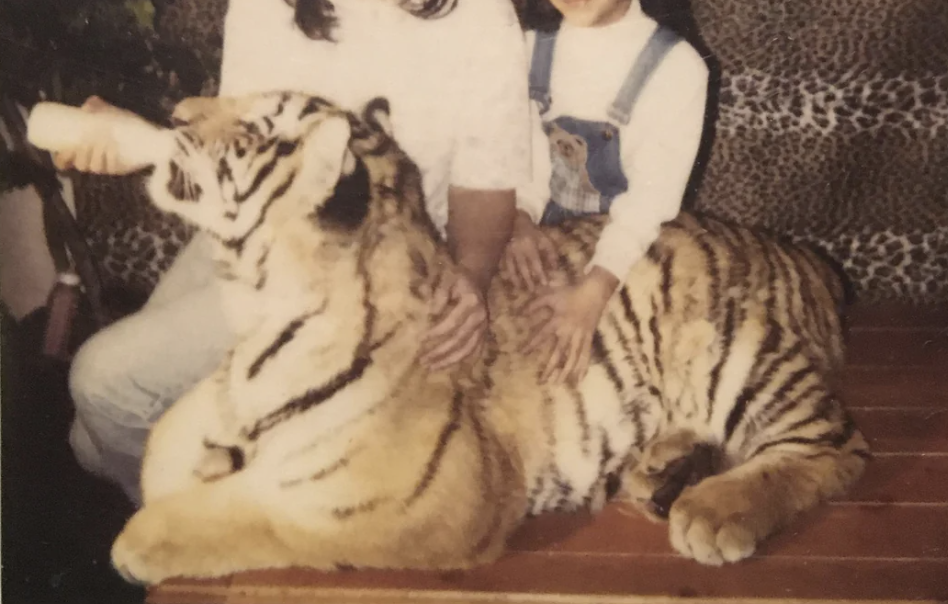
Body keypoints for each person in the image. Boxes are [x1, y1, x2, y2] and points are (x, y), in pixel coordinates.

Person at [57, 0, 530, 503]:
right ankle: (241, 495)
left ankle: (210, 549)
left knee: (104, 386)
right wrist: (137, 140)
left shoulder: (481, 14)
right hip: (252, 227)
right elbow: (236, 139)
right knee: (90, 442)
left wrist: (472, 274)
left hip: (365, 261)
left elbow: (487, 180)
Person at [503, 0, 708, 385]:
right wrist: (519, 216)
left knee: (603, 362)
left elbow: (648, 206)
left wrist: (593, 292)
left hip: (633, 249)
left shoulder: (677, 68)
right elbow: (526, 156)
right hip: (553, 233)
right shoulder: (530, 46)